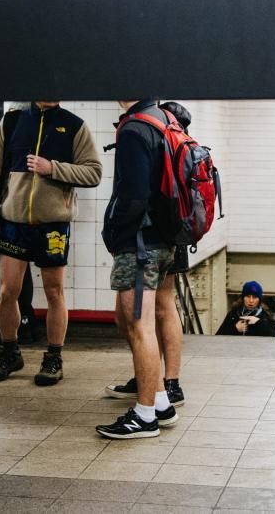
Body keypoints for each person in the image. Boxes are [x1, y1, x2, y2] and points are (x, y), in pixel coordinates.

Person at [0, 101, 102, 385]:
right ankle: (10, 352)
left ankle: (53, 358)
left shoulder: (74, 125)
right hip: (13, 222)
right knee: (8, 291)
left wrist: (52, 168)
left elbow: (93, 173)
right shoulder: (12, 122)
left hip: (53, 225)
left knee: (54, 292)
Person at [97, 99, 181, 439]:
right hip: (162, 242)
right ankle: (160, 401)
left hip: (139, 246)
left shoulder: (133, 129)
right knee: (138, 323)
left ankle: (145, 415)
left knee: (140, 327)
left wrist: (116, 233)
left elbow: (133, 193)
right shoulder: (163, 119)